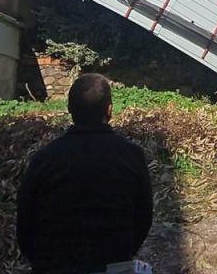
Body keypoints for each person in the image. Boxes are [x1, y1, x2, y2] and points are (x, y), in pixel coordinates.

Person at [17, 73, 154, 274]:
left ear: (69, 109)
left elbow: (25, 224)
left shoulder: (44, 159)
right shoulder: (131, 155)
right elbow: (143, 217)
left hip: (53, 266)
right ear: (109, 110)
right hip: (113, 265)